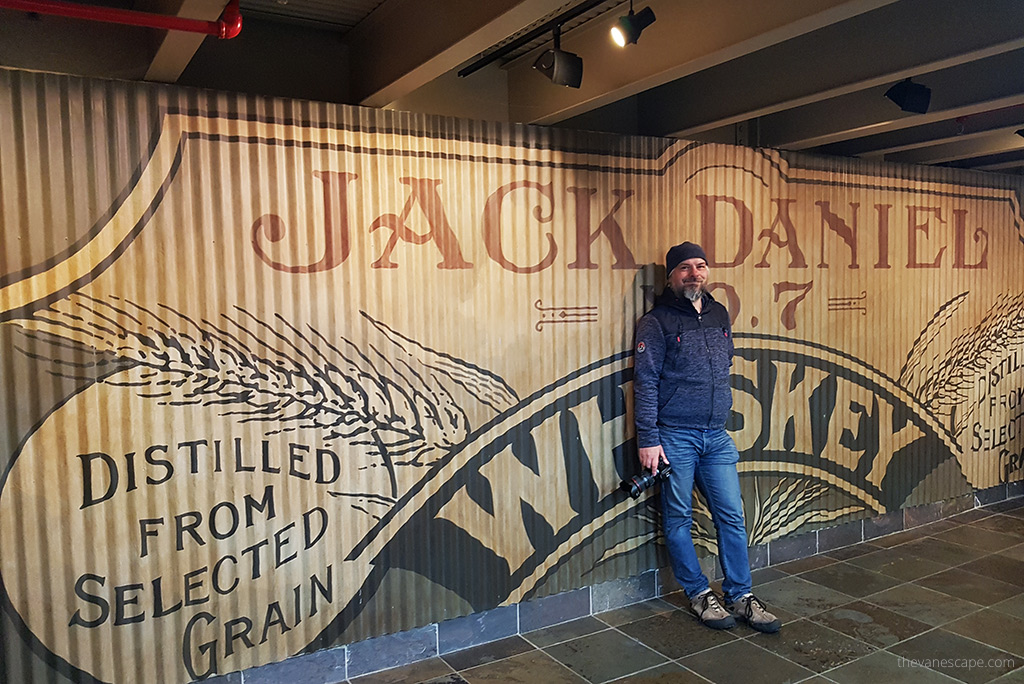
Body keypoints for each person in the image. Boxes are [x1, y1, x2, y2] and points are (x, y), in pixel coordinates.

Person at [632, 241, 782, 633]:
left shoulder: (718, 313)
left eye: (700, 266)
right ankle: (699, 593)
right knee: (678, 518)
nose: (694, 273)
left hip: (716, 436)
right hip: (675, 435)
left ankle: (741, 595)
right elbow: (645, 382)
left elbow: (725, 363)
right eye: (685, 268)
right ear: (671, 276)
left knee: (732, 515)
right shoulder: (656, 321)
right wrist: (648, 438)